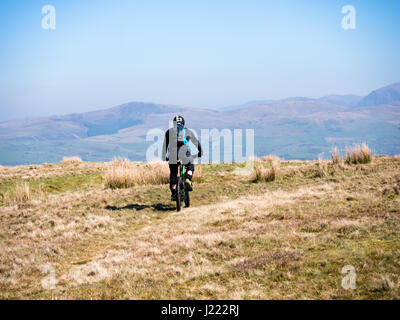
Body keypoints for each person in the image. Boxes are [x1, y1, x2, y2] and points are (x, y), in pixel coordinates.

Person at [162, 115, 203, 200]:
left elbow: (165, 146)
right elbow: (196, 143)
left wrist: (165, 157)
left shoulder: (169, 132)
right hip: (185, 153)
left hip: (173, 155)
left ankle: (174, 193)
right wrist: (200, 152)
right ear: (183, 123)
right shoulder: (187, 131)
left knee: (173, 174)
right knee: (190, 165)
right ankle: (188, 179)